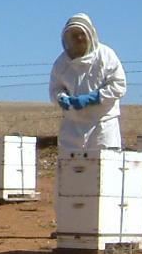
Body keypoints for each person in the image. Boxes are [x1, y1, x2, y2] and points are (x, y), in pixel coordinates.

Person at [49, 13, 127, 152]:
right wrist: (61, 98)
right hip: (72, 126)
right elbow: (55, 88)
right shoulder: (61, 63)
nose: (79, 38)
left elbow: (119, 86)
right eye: (74, 35)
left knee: (103, 168)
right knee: (71, 168)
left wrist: (94, 98)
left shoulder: (106, 55)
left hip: (102, 125)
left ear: (90, 34)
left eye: (82, 34)